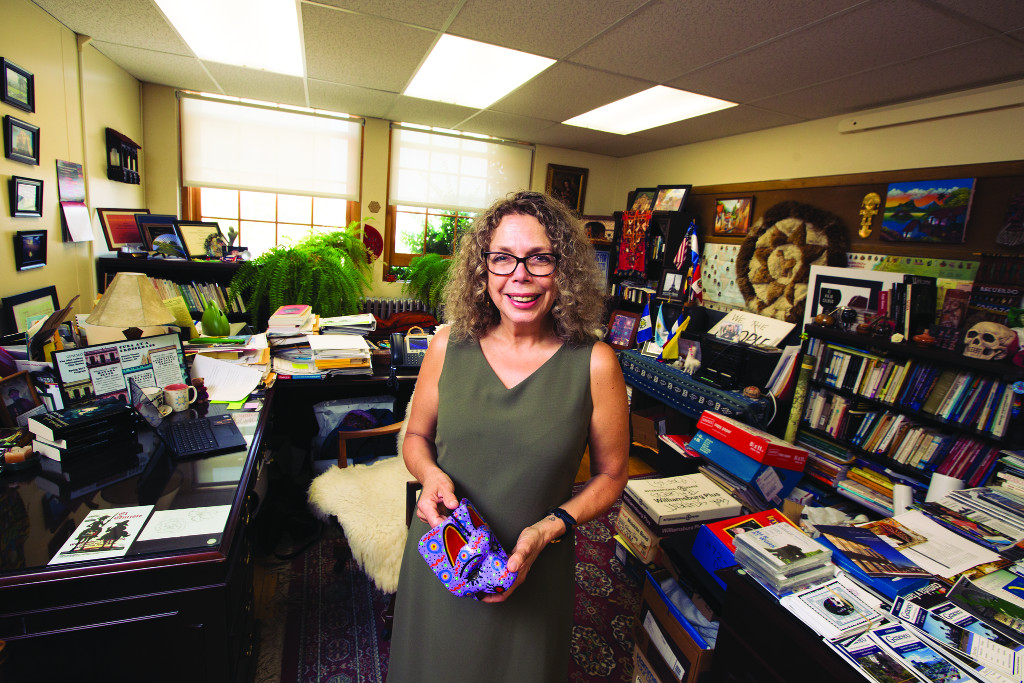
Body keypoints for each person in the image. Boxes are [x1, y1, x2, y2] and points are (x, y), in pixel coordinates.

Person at [387, 191, 629, 681]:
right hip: (446, 556)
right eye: (502, 258)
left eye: (539, 258)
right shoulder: (446, 345)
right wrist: (430, 473)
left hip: (537, 567)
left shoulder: (595, 362)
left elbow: (612, 475)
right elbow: (416, 436)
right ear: (484, 270)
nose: (520, 274)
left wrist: (550, 528)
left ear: (564, 271)